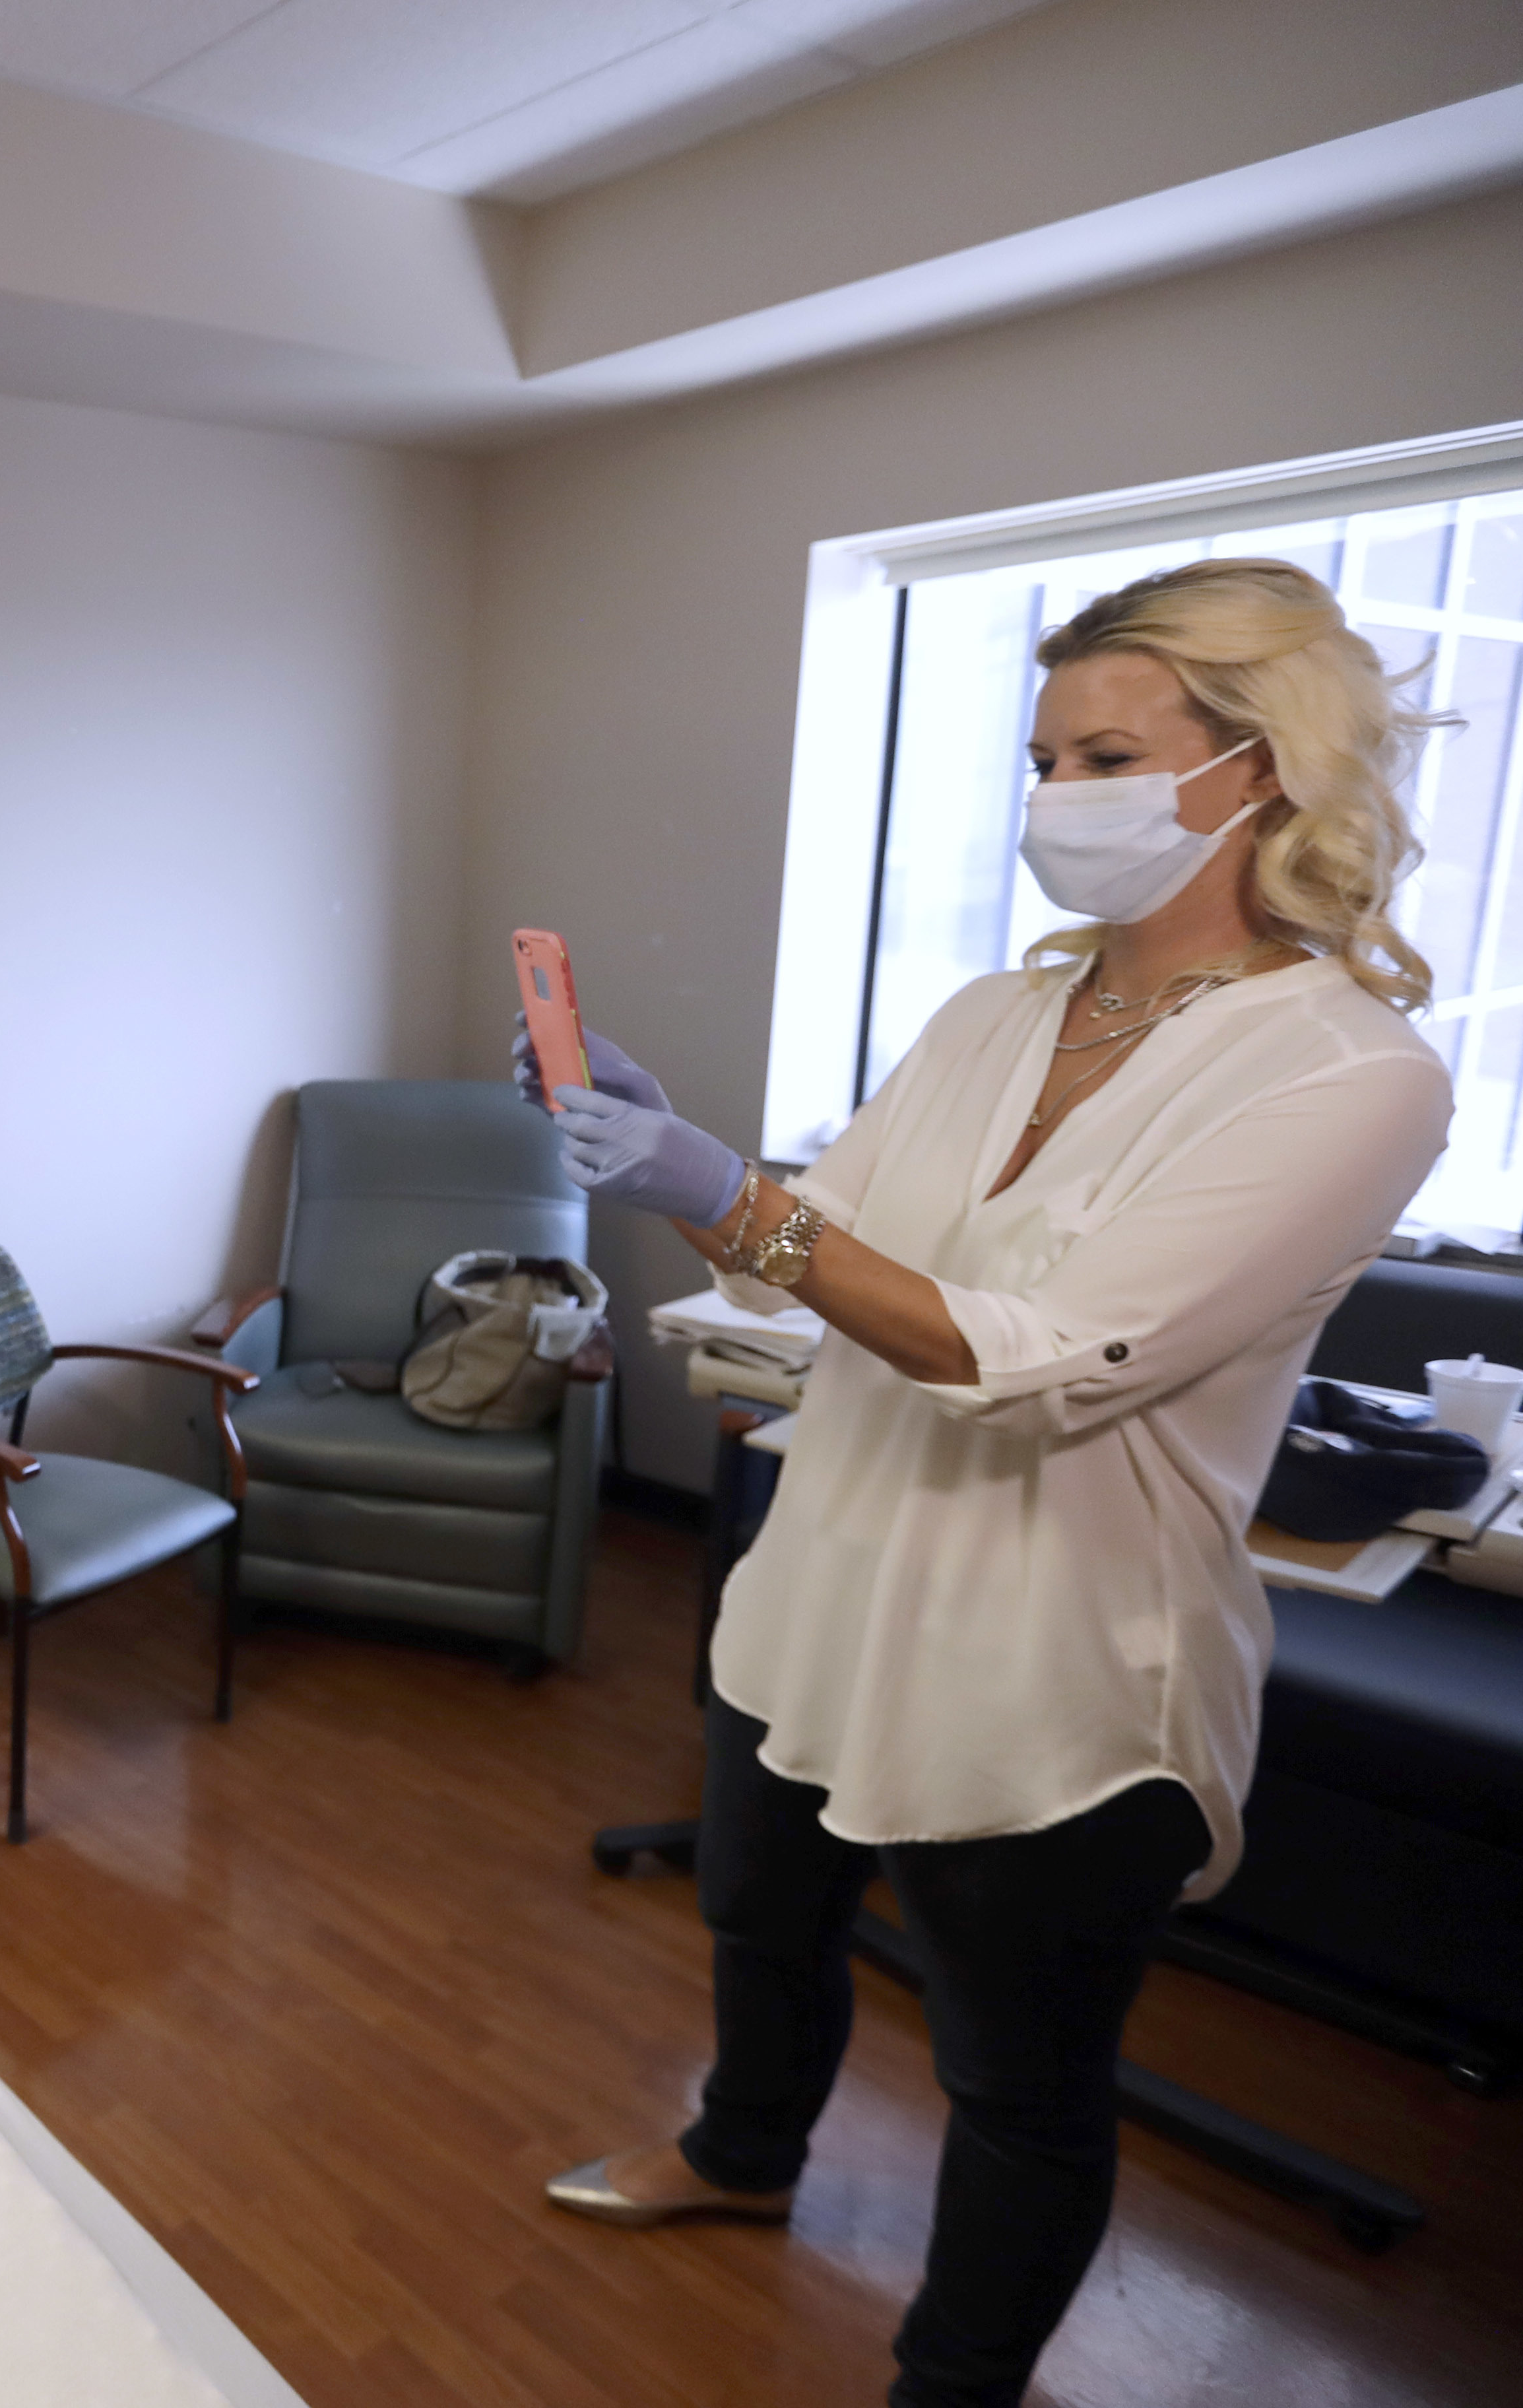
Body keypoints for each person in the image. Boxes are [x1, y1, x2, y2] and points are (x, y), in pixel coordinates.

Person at [521, 559, 1452, 2408]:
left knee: (1018, 2084)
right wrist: (706, 1166)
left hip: (1054, 1661)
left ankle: (953, 2383)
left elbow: (1038, 1362)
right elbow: (852, 1240)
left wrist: (722, 1189)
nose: (1056, 800)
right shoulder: (992, 1018)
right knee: (758, 1916)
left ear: (1263, 770)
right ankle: (740, 2154)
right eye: (1044, 757)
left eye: (1108, 756)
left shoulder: (1349, 1075)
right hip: (828, 1579)